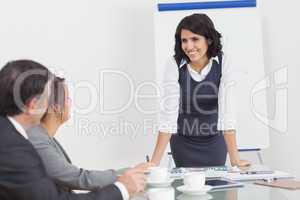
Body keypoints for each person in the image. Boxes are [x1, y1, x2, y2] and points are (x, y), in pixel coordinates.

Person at [0, 60, 146, 200]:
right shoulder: (17, 146)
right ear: (34, 104)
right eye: (46, 98)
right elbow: (68, 184)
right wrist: (122, 188)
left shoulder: (12, 134)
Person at [151, 13, 251, 167]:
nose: (189, 47)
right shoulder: (174, 64)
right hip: (183, 143)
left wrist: (235, 159)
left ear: (209, 39)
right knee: (184, 188)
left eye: (195, 39)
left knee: (217, 187)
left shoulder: (224, 62)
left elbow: (227, 112)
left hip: (214, 143)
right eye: (184, 40)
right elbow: (168, 116)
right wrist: (154, 163)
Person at [27, 76, 154, 191]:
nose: (70, 104)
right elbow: (78, 178)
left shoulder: (43, 137)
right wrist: (125, 176)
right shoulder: (37, 139)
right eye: (67, 99)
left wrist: (128, 173)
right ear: (56, 107)